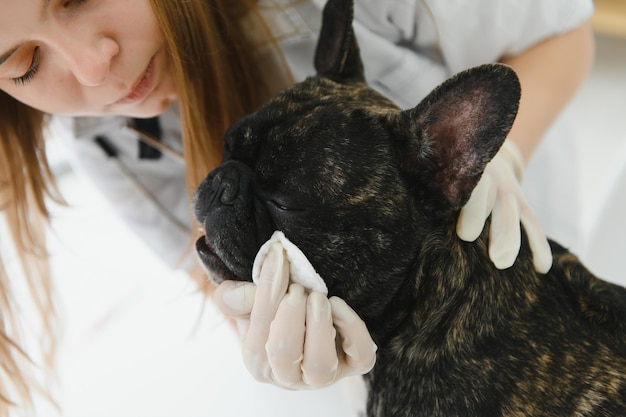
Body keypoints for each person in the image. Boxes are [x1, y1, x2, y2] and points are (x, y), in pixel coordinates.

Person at [0, 0, 594, 415]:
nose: (91, 62)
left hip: (543, 266)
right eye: (23, 62)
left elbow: (564, 31)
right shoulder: (111, 146)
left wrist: (505, 154)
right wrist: (256, 325)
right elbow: (215, 267)